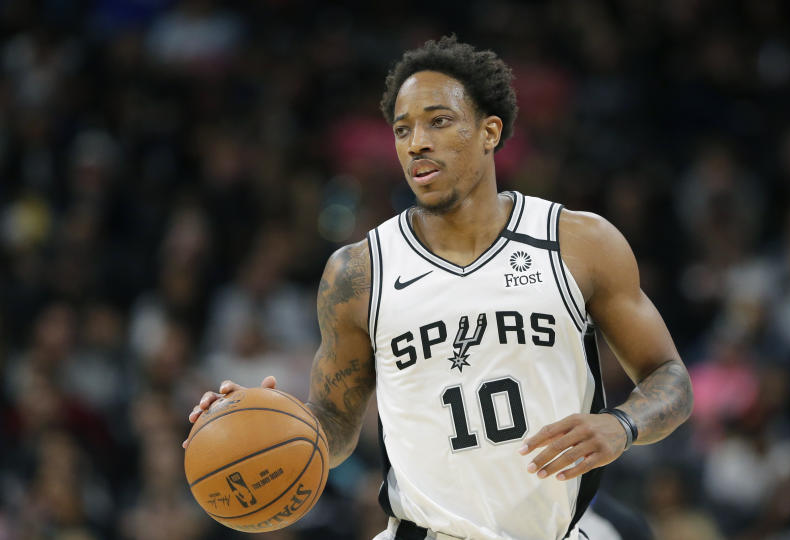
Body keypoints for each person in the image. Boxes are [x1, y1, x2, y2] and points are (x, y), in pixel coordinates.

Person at [184, 35, 693, 540]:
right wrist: (259, 424)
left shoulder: (578, 244)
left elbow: (669, 376)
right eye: (402, 129)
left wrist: (622, 425)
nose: (416, 142)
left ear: (490, 131)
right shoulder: (358, 273)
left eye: (438, 121)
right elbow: (334, 429)